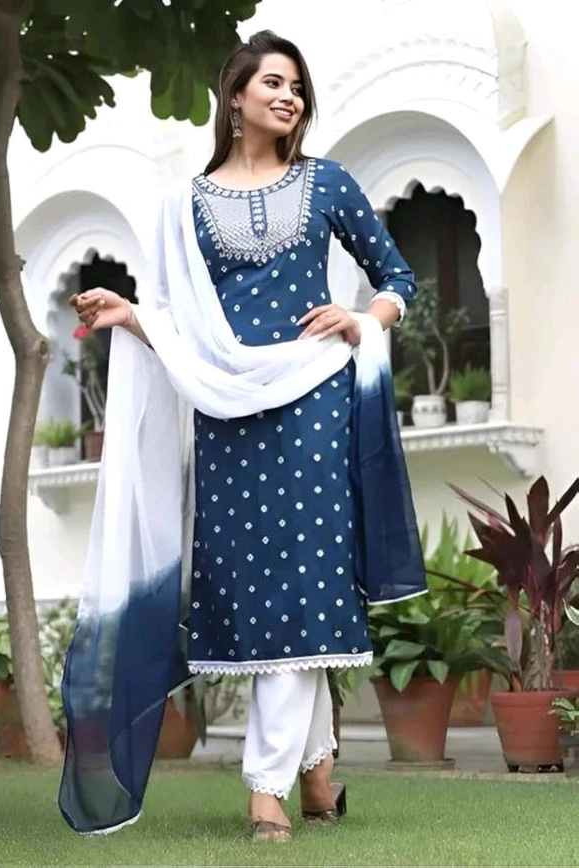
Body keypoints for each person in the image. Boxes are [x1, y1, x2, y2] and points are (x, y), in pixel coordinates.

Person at [61, 30, 425, 842]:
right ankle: (319, 773)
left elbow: (398, 276)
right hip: (226, 409)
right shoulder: (185, 206)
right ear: (235, 96)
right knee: (260, 586)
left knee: (306, 578)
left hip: (316, 398)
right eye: (273, 82)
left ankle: (266, 791)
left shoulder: (327, 183)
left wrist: (363, 318)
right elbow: (180, 323)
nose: (289, 96)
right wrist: (129, 315)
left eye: (296, 85)